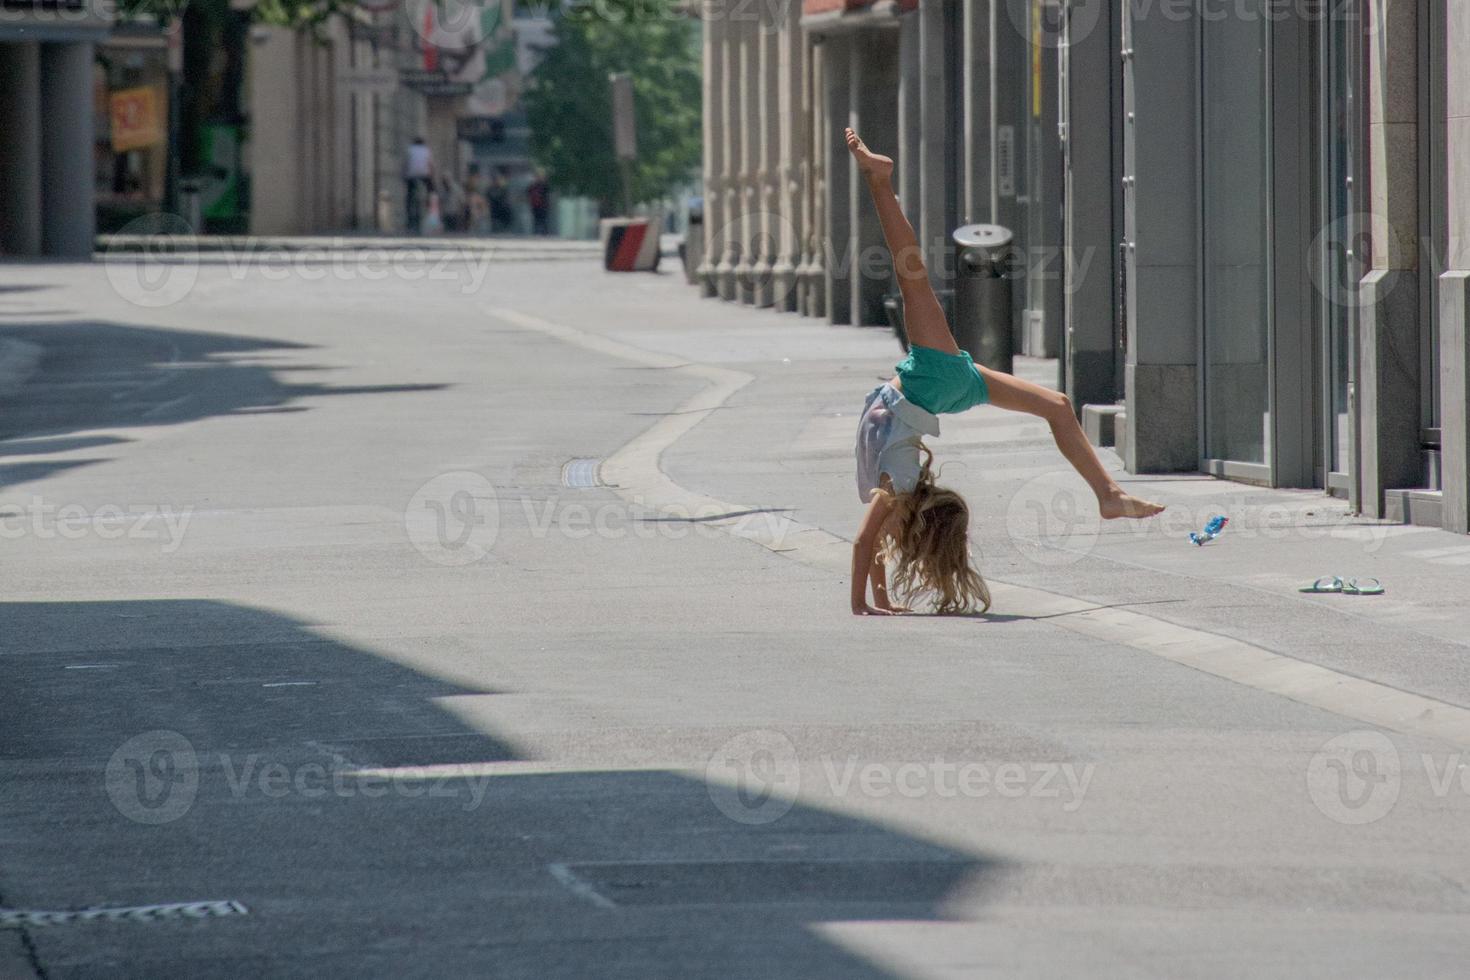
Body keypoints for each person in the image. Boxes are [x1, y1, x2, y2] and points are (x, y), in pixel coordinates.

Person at [845, 128, 1165, 617]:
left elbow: (870, 546)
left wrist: (872, 605)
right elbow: (867, 545)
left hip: (933, 390)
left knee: (1055, 405)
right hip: (927, 389)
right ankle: (1109, 494)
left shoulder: (895, 497)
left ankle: (1110, 495)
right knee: (912, 277)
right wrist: (867, 605)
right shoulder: (896, 490)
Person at [404, 137, 434, 233]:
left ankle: (409, 215)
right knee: (431, 190)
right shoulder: (426, 150)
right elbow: (431, 165)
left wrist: (404, 175)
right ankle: (429, 202)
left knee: (409, 195)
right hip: (424, 175)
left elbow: (405, 163)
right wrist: (432, 176)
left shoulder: (410, 149)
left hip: (411, 175)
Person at [528, 170, 551, 236]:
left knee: (543, 219)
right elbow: (528, 194)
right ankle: (537, 232)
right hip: (536, 205)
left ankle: (544, 232)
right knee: (537, 219)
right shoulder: (533, 186)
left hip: (543, 205)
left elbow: (548, 195)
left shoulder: (545, 186)